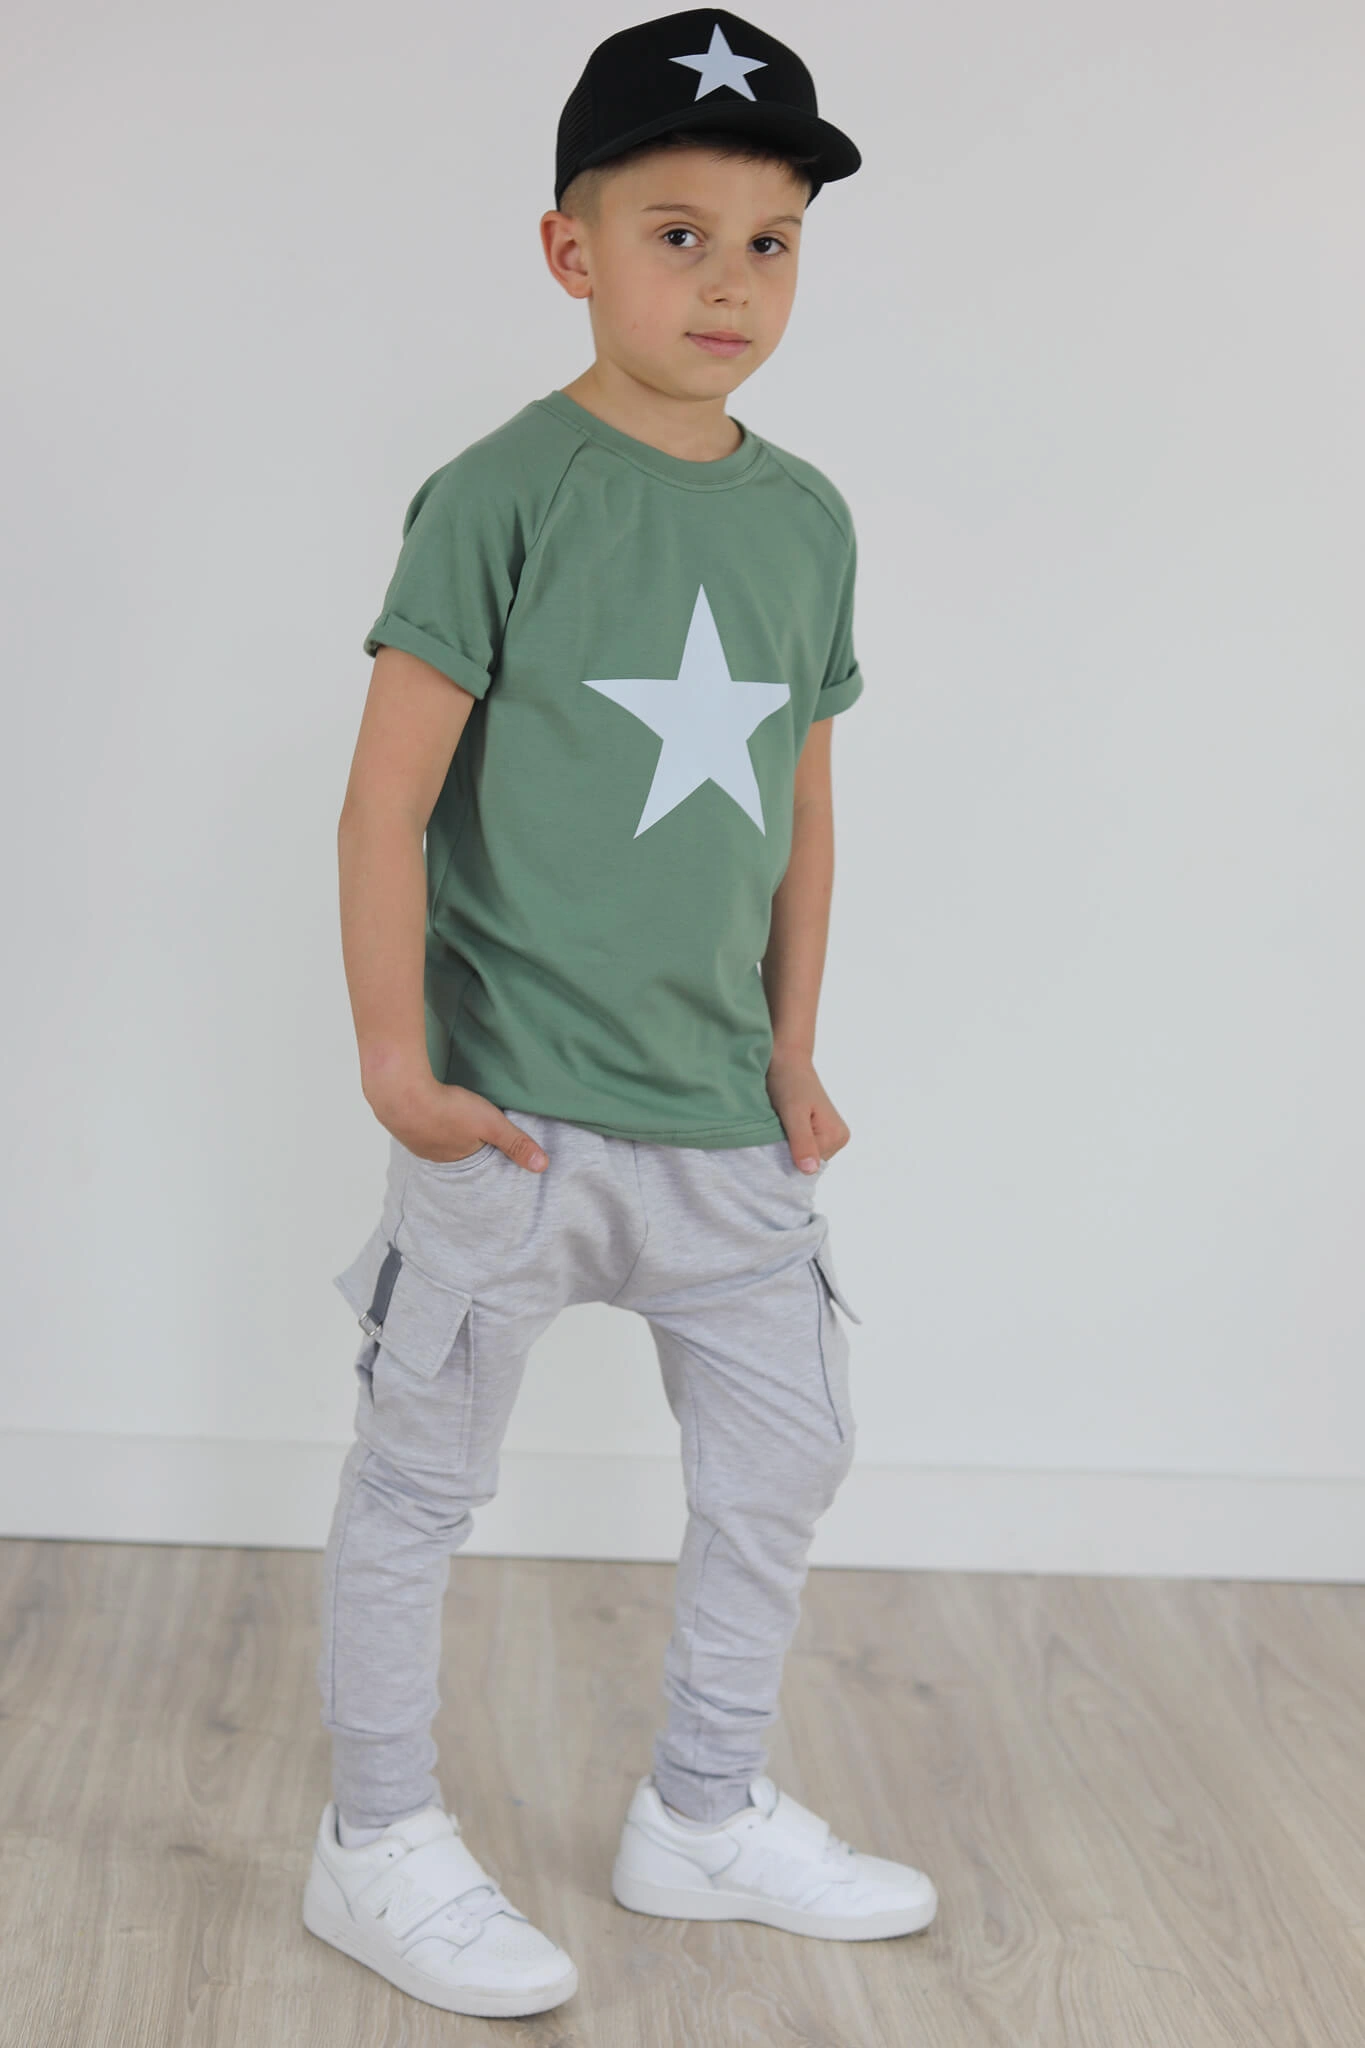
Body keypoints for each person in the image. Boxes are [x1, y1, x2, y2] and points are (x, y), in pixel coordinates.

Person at [301, 7, 938, 2020]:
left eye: (770, 243)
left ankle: (705, 1805)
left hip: (718, 1116)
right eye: (678, 235)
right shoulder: (504, 491)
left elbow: (803, 809)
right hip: (508, 1116)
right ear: (570, 250)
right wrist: (397, 1065)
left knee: (785, 1455)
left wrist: (790, 1047)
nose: (728, 283)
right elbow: (386, 799)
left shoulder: (807, 517)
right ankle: (375, 1835)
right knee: (420, 1479)